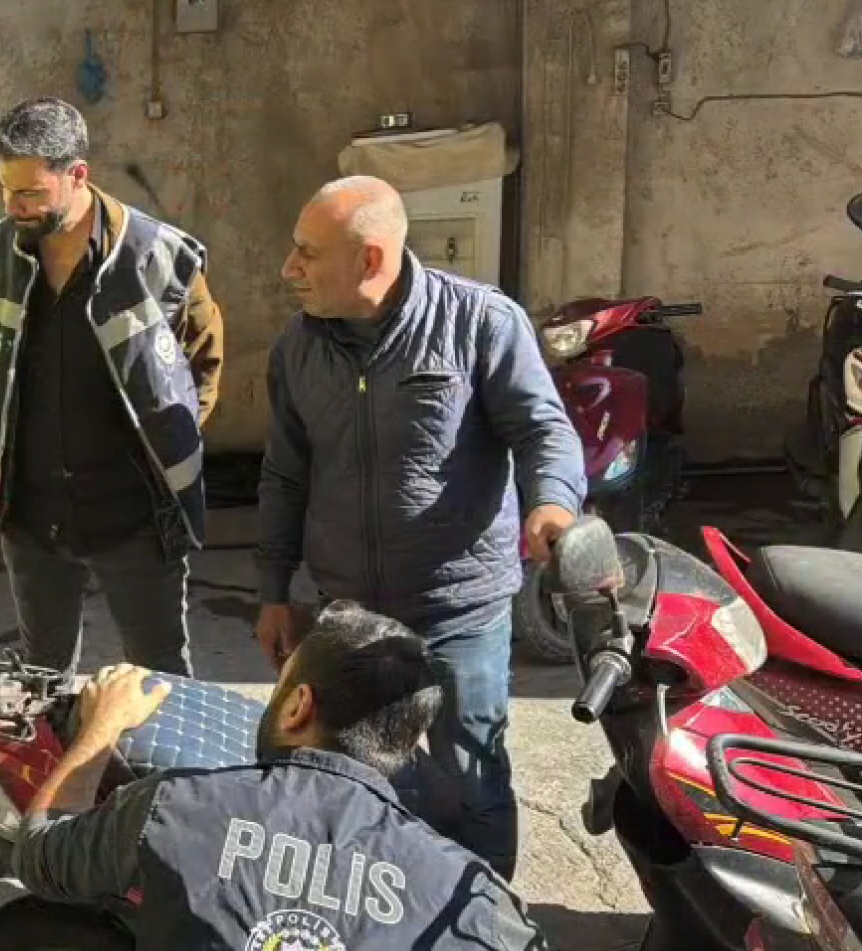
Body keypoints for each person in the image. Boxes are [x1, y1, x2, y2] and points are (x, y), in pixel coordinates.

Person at [255, 176, 585, 879]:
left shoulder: (480, 323)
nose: (289, 269)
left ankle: (483, 913)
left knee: (471, 773)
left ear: (369, 260)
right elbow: (284, 474)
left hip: (457, 613)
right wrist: (272, 590)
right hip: (346, 618)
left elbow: (541, 430)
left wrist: (551, 503)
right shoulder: (296, 349)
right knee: (346, 778)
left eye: (306, 253)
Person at [14, 602, 549, 949]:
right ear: (404, 748)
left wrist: (102, 723)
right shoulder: (468, 896)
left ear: (297, 707)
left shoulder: (171, 809)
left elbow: (39, 855)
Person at [0, 97, 224, 678]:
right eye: (5, 189)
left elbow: (203, 359)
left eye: (30, 192)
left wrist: (166, 447)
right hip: (30, 515)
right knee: (42, 680)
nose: (14, 206)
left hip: (134, 516)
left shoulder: (158, 253)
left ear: (77, 174)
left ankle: (160, 777)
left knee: (159, 681)